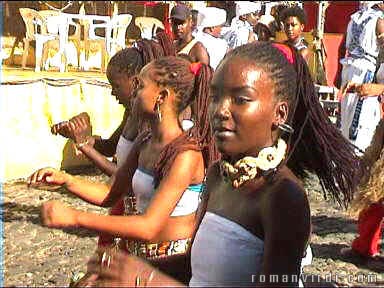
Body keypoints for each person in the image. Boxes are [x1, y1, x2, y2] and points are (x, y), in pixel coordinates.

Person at [87, 42, 363, 287]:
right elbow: (196, 269)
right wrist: (124, 273)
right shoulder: (220, 176)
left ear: (279, 113)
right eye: (216, 96)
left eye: (241, 99)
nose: (220, 111)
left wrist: (146, 280)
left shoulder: (282, 197)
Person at [29, 56, 218, 284]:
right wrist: (66, 180)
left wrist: (75, 216)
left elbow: (149, 226)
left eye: (140, 86)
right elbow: (111, 193)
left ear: (162, 97)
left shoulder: (186, 154)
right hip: (139, 259)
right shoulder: (145, 140)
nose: (134, 93)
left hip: (170, 267)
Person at [339, 1, 384, 153]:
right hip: (349, 79)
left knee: (359, 139)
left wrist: (380, 87)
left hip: (367, 81)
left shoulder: (379, 20)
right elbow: (343, 47)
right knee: (345, 135)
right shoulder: (354, 18)